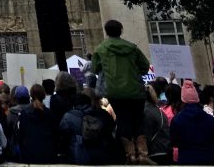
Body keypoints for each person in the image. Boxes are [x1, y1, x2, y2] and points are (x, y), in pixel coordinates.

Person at [92, 19, 151, 163]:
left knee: (123, 121)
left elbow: (95, 68)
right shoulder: (132, 48)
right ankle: (143, 155)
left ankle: (130, 155)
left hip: (115, 91)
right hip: (136, 90)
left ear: (106, 31)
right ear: (121, 30)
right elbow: (145, 66)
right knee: (138, 121)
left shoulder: (101, 49)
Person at [170, 80, 214, 165]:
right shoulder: (210, 119)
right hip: (211, 160)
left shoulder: (177, 120)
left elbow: (174, 142)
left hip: (187, 160)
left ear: (183, 100)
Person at [59, 90, 116, 165]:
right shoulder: (103, 114)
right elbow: (112, 127)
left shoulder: (68, 116)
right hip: (103, 154)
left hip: (79, 155)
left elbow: (62, 136)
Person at [12, 84, 57, 163]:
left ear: (31, 96)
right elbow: (55, 135)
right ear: (44, 96)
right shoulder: (50, 114)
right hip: (48, 156)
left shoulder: (24, 114)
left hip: (29, 156)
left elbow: (20, 137)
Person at [143, 83, 172, 165]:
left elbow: (147, 136)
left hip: (156, 154)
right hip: (164, 151)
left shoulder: (146, 111)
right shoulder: (157, 110)